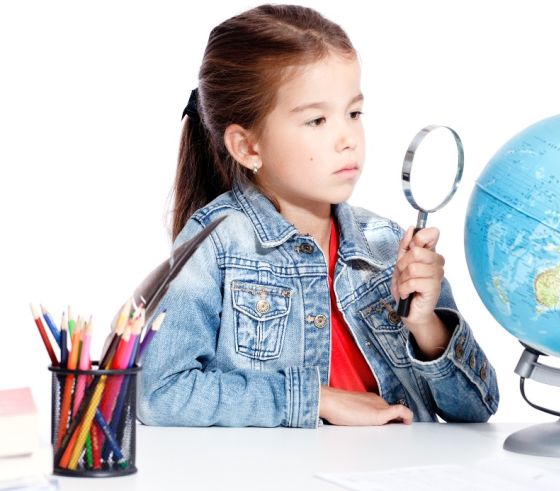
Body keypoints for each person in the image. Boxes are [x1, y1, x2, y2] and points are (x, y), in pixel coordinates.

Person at [137, 4, 498, 428]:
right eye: (317, 120)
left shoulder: (386, 246)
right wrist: (316, 399)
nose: (348, 139)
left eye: (354, 113)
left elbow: (478, 408)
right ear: (248, 147)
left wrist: (426, 325)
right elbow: (160, 393)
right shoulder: (215, 244)